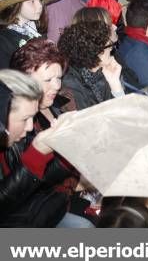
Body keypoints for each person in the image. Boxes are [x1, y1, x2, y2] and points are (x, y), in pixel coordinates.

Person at [0, 69, 87, 227]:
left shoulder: (16, 138)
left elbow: (38, 183)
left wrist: (62, 145)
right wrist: (36, 155)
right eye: (25, 119)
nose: (29, 127)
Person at [57, 21, 125, 111]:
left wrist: (115, 83)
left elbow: (122, 111)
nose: (112, 49)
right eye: (109, 45)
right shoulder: (71, 85)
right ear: (95, 52)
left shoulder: (99, 73)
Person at [0, 0, 59, 68]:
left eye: (40, 0)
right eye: (31, 1)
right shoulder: (4, 40)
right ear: (15, 5)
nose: (39, 6)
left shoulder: (35, 29)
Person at [10, 38, 68, 131]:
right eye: (48, 80)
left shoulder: (65, 102)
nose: (57, 86)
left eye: (59, 78)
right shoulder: (18, 124)